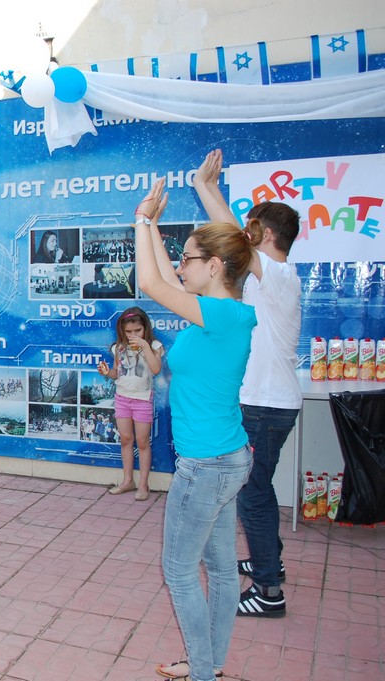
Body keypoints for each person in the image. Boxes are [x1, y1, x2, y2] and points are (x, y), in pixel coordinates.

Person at [134, 179, 257, 681]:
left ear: (215, 266)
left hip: (206, 466)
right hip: (225, 460)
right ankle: (210, 665)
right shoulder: (222, 315)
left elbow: (150, 284)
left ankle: (203, 672)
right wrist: (153, 226)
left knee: (179, 572)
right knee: (222, 571)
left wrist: (139, 221)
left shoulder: (222, 315)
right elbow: (166, 279)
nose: (180, 265)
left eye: (187, 258)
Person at [193, 149, 301, 618]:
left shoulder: (277, 275)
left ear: (266, 234)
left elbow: (234, 237)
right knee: (259, 489)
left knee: (252, 494)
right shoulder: (267, 279)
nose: (245, 233)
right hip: (265, 404)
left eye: (252, 227)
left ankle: (268, 591)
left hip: (265, 406)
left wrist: (205, 187)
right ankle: (267, 560)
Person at [97, 306, 163, 501]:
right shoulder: (118, 348)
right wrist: (106, 372)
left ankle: (143, 484)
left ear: (145, 328)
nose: (133, 335)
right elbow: (118, 373)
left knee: (142, 441)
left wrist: (145, 346)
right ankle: (128, 481)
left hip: (142, 398)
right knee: (125, 439)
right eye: (128, 332)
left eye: (138, 330)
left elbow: (156, 369)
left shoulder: (154, 346)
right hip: (122, 398)